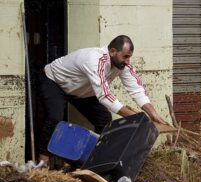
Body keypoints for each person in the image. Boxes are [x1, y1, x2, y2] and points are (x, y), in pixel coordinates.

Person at [38, 35, 165, 165]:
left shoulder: (123, 65)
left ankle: (96, 161)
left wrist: (153, 114)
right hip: (54, 82)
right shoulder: (95, 59)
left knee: (104, 119)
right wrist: (137, 118)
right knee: (54, 118)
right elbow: (104, 95)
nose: (127, 61)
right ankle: (42, 164)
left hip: (81, 90)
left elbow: (137, 89)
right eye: (125, 56)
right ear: (112, 51)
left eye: (129, 57)